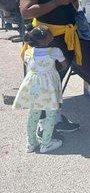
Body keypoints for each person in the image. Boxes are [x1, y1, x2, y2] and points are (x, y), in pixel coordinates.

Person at [19, 0, 80, 134]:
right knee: (46, 82)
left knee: (56, 81)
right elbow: (26, 11)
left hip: (65, 38)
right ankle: (44, 123)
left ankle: (54, 116)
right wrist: (56, 2)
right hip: (46, 40)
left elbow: (71, 6)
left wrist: (73, 0)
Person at [13, 25, 67, 153]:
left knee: (33, 114)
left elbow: (29, 65)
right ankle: (46, 143)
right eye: (50, 33)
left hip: (34, 87)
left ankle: (31, 143)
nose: (52, 34)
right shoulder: (55, 51)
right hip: (49, 88)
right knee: (50, 114)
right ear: (45, 40)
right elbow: (64, 65)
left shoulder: (28, 52)